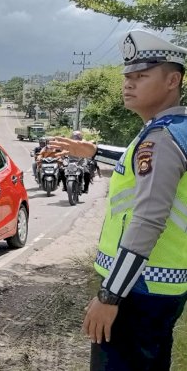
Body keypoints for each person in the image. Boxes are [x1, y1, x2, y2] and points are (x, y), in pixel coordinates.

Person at [49, 30, 187, 370]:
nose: (129, 83)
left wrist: (110, 296)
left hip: (138, 289)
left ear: (173, 80)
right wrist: (95, 151)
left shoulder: (163, 137)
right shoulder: (170, 129)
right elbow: (138, 164)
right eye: (127, 76)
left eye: (141, 76)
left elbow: (148, 219)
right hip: (156, 284)